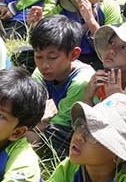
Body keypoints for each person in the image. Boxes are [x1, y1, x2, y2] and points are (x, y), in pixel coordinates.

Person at [28, 14, 95, 158]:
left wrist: (37, 121)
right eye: (38, 57)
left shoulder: (81, 81)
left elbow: (58, 125)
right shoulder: (42, 72)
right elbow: (29, 106)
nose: (44, 65)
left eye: (52, 58)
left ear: (74, 54)